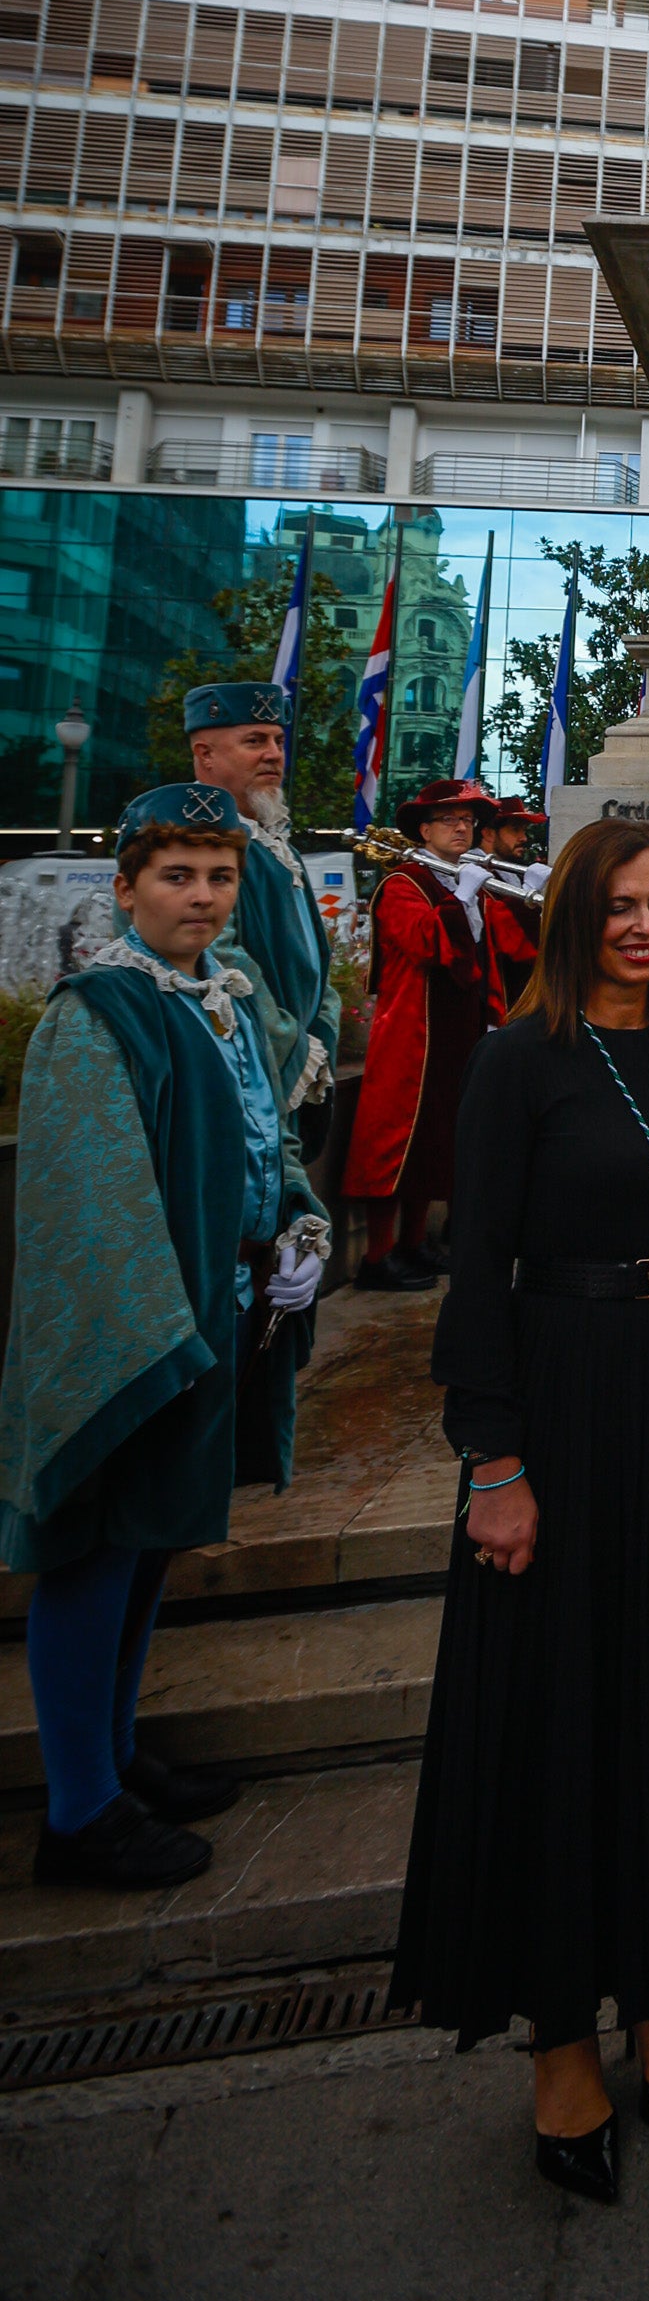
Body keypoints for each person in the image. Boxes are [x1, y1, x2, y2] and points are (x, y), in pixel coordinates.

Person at [392, 821, 649, 2207]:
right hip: (561, 1411)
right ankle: (559, 2041)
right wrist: (492, 1460)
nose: (642, 927)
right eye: (619, 905)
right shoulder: (516, 1062)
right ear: (576, 916)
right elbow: (477, 1266)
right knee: (555, 1728)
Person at [1, 786, 328, 1891]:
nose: (200, 895)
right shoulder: (99, 1010)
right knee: (96, 1557)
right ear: (128, 886)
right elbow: (88, 1199)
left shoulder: (223, 1001)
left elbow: (264, 1135)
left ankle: (118, 1750)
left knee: (147, 1553)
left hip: (221, 1316)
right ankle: (80, 1810)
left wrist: (299, 1223)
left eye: (218, 875)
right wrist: (156, 1336)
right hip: (143, 1337)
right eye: (177, 874)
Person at [342, 778, 504, 1290]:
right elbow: (427, 943)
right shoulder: (403, 883)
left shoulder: (459, 879)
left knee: (435, 1143)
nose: (463, 828)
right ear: (425, 829)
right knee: (396, 1142)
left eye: (469, 822)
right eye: (451, 820)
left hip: (456, 1032)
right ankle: (377, 1256)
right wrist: (462, 900)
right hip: (414, 1034)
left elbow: (483, 956)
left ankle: (413, 1244)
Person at [182, 681, 341, 1120]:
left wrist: (323, 1029)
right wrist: (289, 1042)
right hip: (242, 1074)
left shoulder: (271, 840)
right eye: (254, 741)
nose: (273, 754)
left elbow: (316, 964)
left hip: (298, 1061)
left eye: (278, 740)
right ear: (205, 755)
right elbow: (218, 958)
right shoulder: (189, 840)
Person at [480, 798, 552, 1006]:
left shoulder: (509, 873)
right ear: (488, 833)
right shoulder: (475, 876)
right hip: (494, 991)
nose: (523, 838)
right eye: (515, 830)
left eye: (524, 830)